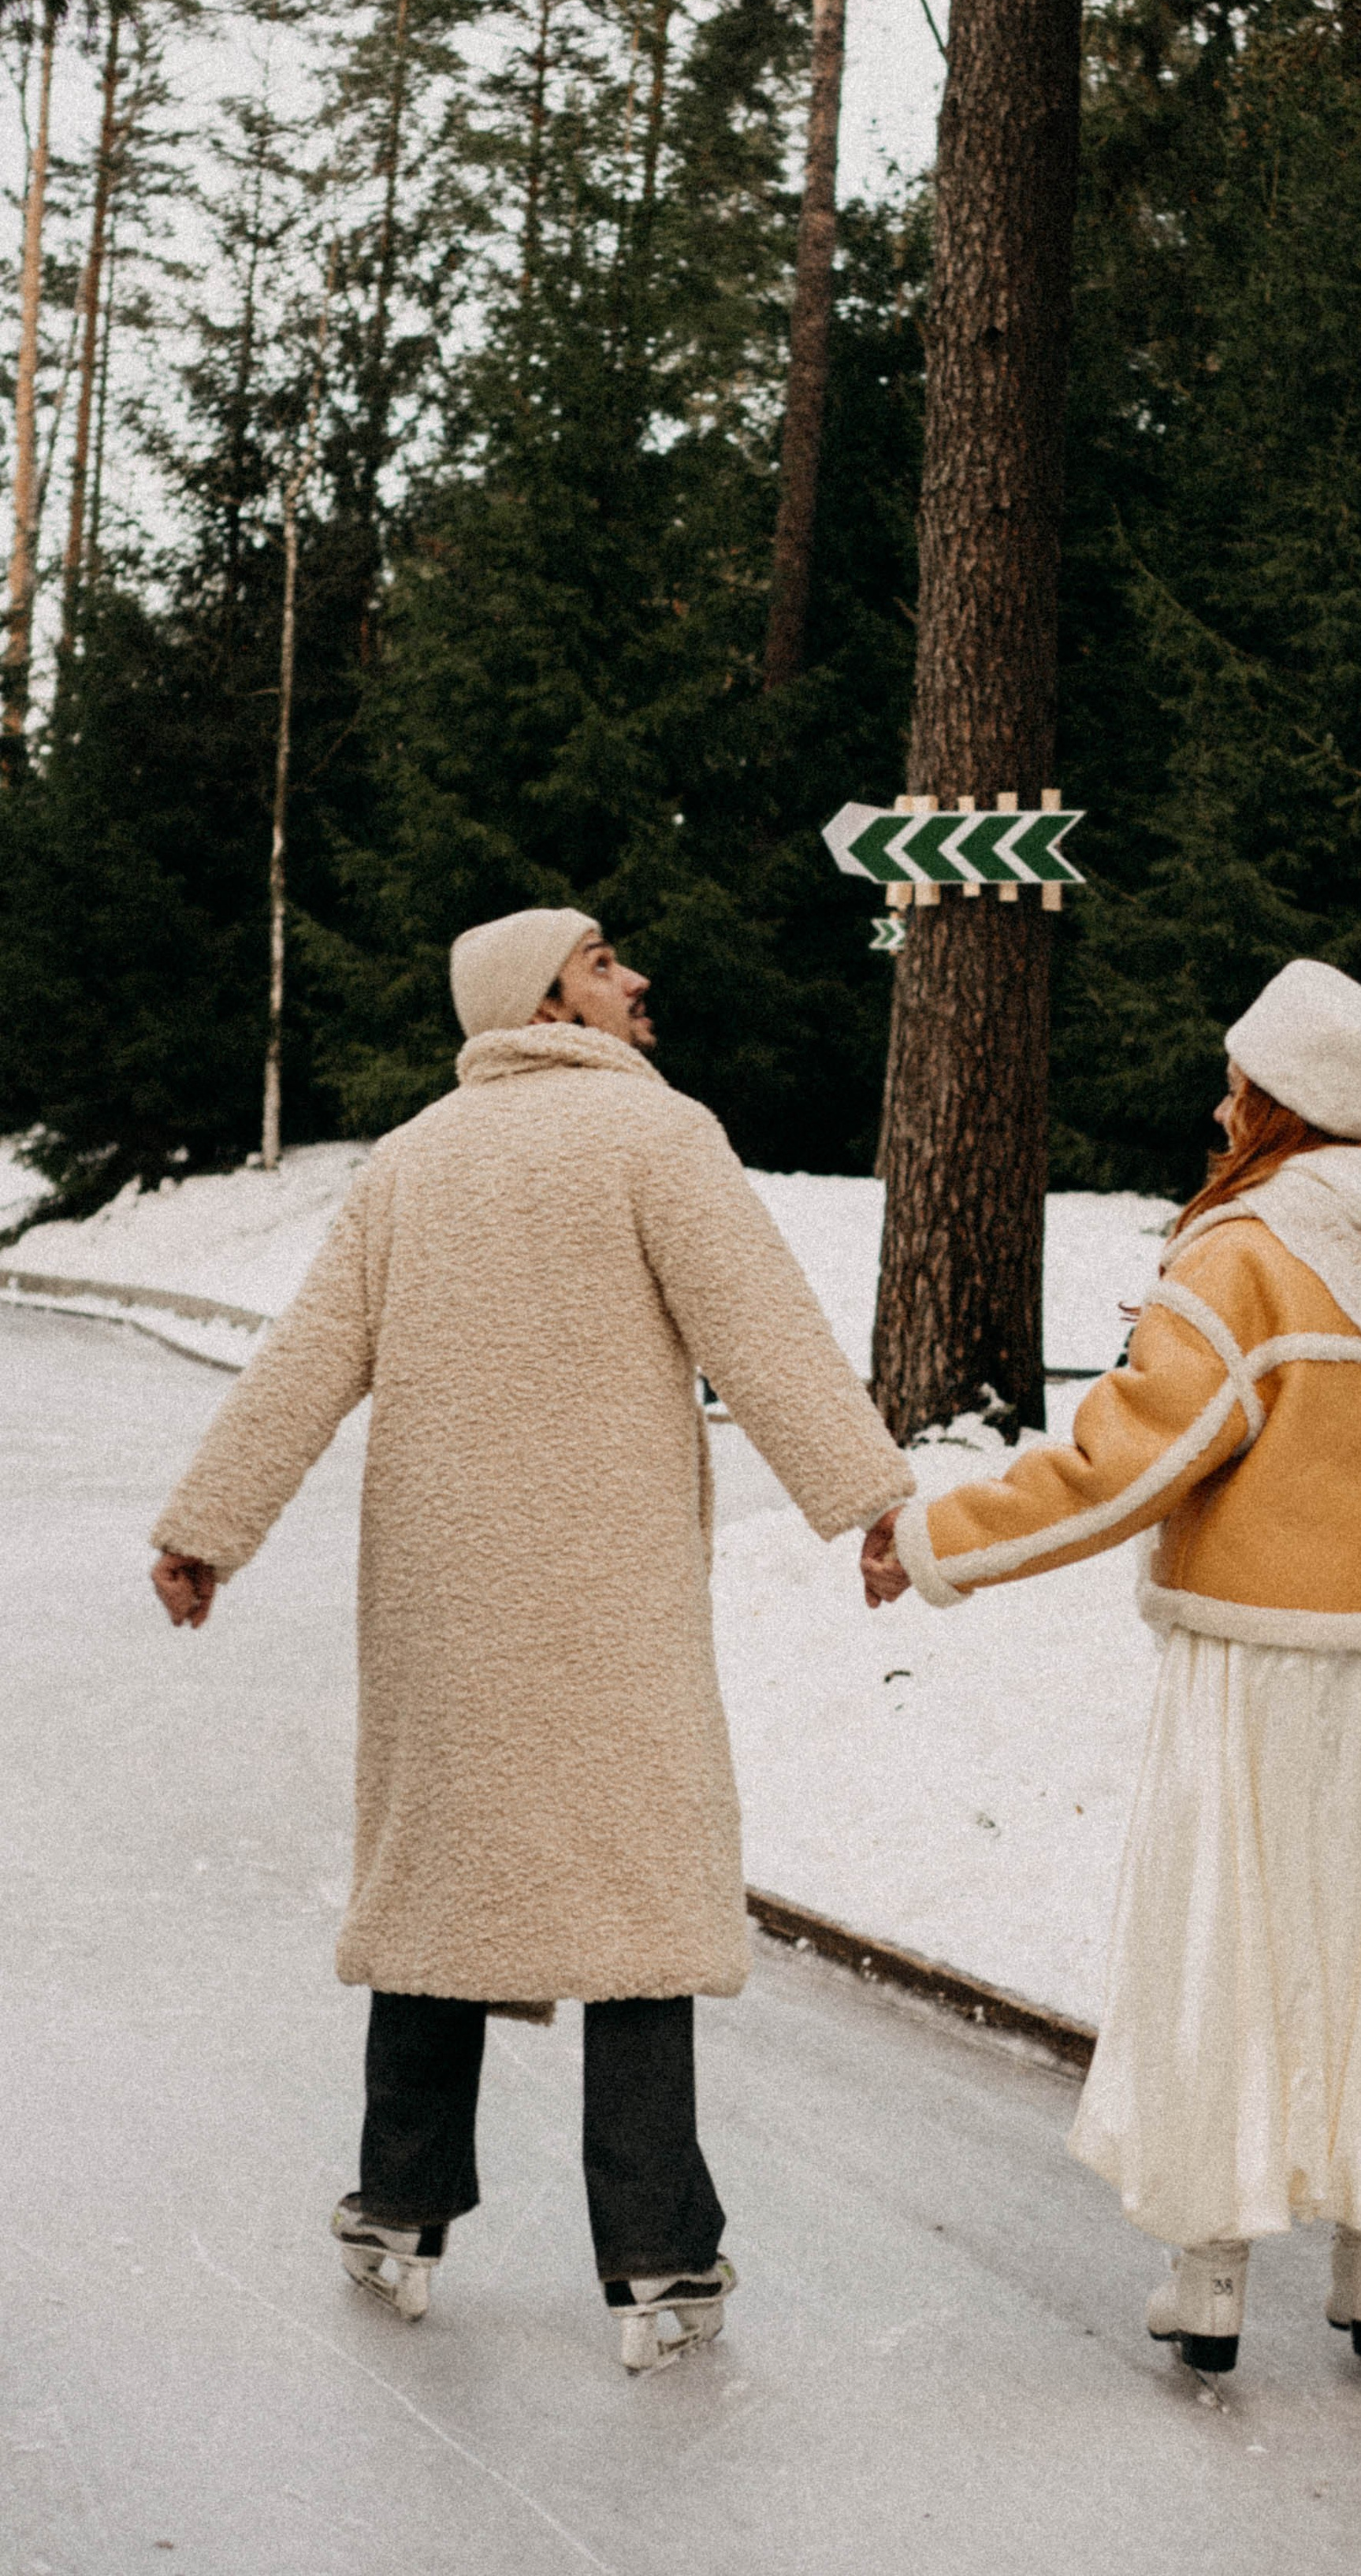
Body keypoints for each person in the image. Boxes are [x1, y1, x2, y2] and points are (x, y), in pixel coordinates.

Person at [152, 906, 913, 2373]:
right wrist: (867, 1501)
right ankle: (660, 2261)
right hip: (609, 1588)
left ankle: (396, 2211)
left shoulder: (413, 1162)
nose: (638, 981)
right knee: (635, 1898)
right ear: (545, 1006)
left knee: (446, 1874)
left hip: (445, 1590)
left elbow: (305, 1362)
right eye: (604, 963)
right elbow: (765, 1329)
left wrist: (208, 1527)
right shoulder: (658, 1137)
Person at [861, 957, 1361, 2373]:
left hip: (1257, 1660)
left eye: (1239, 1083)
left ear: (1275, 1099)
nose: (1222, 1108)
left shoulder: (1248, 1251)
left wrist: (938, 1541)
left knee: (1230, 1940)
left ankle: (1210, 2277)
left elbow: (1126, 1464)